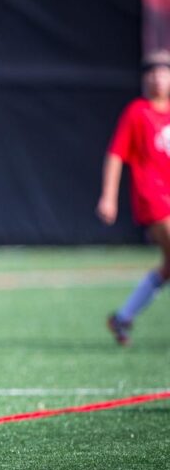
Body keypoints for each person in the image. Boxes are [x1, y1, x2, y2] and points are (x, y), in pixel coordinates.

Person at [96, 49, 170, 345]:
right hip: (152, 198)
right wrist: (108, 196)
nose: (158, 78)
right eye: (152, 73)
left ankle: (123, 317)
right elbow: (116, 155)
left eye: (164, 72)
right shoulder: (137, 112)